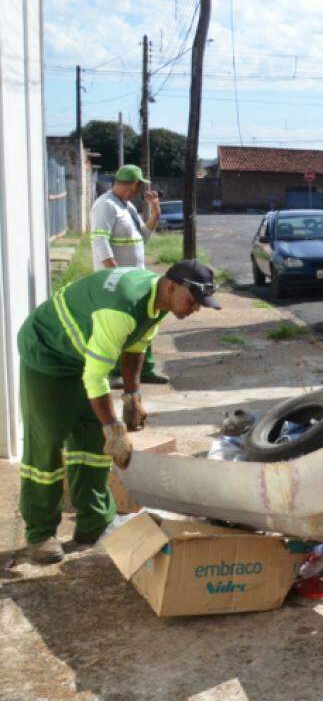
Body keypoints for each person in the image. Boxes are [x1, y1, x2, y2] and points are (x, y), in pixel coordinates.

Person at [17, 260, 221, 564]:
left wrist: (132, 395)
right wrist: (114, 429)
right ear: (171, 286)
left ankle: (94, 523)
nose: (195, 309)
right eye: (192, 301)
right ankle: (40, 533)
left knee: (90, 442)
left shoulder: (157, 302)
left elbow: (135, 349)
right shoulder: (122, 308)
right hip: (48, 353)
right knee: (47, 442)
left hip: (81, 355)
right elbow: (95, 377)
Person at [90, 164, 168, 384]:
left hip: (136, 279)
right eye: (140, 184)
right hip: (118, 282)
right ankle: (115, 373)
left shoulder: (128, 206)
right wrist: (116, 275)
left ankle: (145, 370)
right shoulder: (105, 205)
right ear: (133, 184)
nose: (141, 189)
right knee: (118, 328)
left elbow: (143, 236)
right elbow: (99, 240)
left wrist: (155, 209)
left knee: (145, 323)